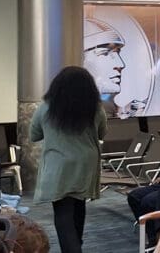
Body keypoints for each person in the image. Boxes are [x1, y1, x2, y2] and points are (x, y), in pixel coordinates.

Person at [30, 66, 107, 253]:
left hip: (59, 166)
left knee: (63, 212)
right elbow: (102, 133)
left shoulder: (46, 108)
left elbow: (34, 135)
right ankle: (76, 246)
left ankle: (73, 250)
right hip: (85, 164)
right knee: (79, 205)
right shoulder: (95, 108)